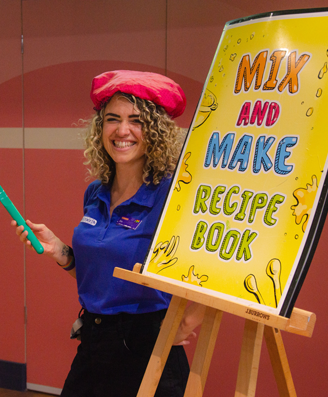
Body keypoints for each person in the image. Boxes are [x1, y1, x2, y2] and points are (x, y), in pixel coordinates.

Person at [12, 70, 205, 397]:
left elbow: (210, 268)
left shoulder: (171, 195)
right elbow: (101, 275)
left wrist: (186, 322)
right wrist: (60, 251)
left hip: (148, 351)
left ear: (156, 131)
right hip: (94, 344)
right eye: (113, 119)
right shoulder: (95, 192)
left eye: (137, 121)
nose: (122, 130)